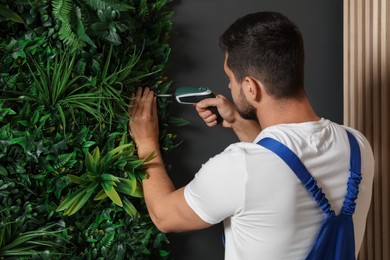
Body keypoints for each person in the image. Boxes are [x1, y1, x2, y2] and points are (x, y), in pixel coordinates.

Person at [127, 11, 374, 260]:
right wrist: (237, 121)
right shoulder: (358, 146)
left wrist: (146, 141)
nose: (229, 87)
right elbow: (283, 168)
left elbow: (165, 216)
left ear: (250, 87)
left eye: (230, 80)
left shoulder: (240, 167)